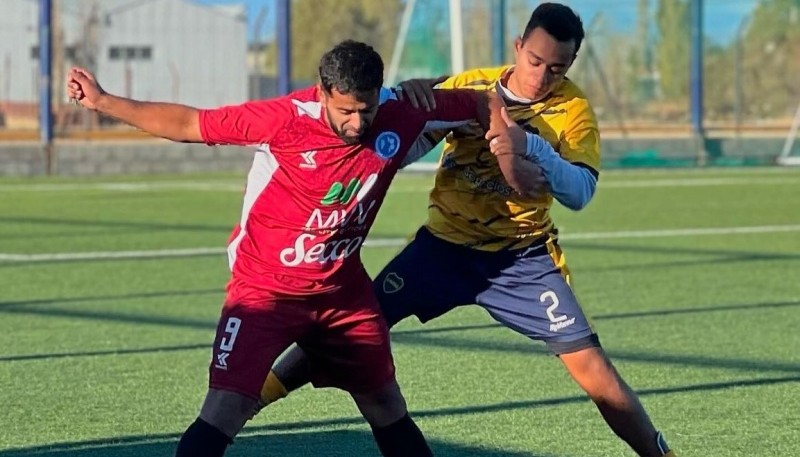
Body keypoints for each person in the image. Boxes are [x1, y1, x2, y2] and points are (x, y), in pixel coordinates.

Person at [260, 4, 678, 457]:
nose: (540, 76)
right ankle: (247, 398)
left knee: (595, 371)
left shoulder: (573, 112)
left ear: (571, 65)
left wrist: (532, 146)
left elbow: (580, 192)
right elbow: (407, 144)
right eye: (534, 61)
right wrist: (407, 105)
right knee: (347, 329)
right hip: (442, 248)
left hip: (520, 259)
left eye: (556, 68)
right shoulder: (470, 87)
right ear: (519, 47)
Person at [66, 39, 509, 457]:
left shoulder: (401, 110)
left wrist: (505, 144)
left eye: (367, 109)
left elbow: (480, 99)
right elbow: (187, 124)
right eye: (345, 112)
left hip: (342, 294)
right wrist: (103, 101)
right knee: (226, 408)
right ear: (322, 93)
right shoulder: (283, 119)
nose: (357, 123)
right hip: (264, 291)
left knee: (384, 400)